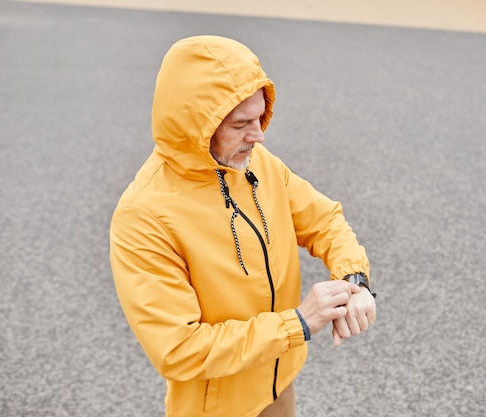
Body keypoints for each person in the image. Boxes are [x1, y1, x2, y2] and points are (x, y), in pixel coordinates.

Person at [110, 35, 377, 417]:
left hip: (278, 380)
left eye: (260, 116)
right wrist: (297, 323)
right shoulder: (144, 216)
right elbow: (179, 349)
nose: (259, 135)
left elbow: (324, 220)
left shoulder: (256, 162)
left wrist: (355, 280)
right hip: (217, 407)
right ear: (197, 126)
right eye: (241, 124)